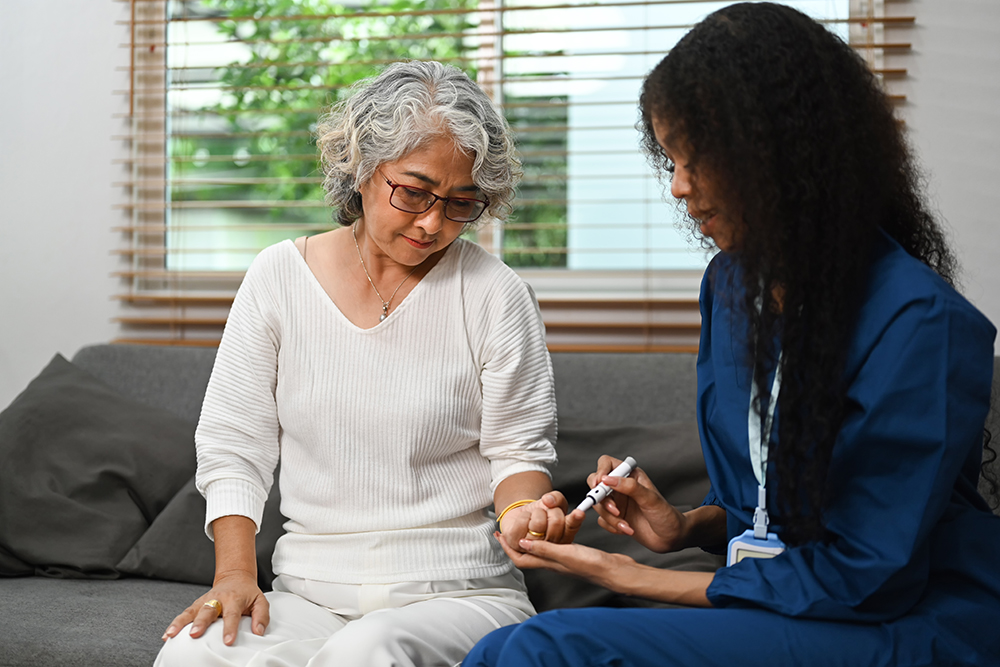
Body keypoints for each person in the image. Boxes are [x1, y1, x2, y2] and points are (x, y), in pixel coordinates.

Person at [463, 3, 1000, 666]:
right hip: (786, 600)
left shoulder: (922, 324)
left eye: (698, 159)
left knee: (543, 646)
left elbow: (869, 573)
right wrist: (684, 525)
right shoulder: (730, 288)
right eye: (670, 162)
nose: (681, 188)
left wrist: (636, 576)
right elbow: (777, 507)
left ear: (781, 155)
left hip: (902, 618)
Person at [155, 60, 580, 667]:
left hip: (459, 594)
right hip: (310, 596)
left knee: (367, 650)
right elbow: (234, 445)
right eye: (413, 191)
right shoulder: (278, 277)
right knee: (189, 656)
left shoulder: (495, 292)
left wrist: (522, 514)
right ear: (360, 166)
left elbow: (518, 453)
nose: (433, 222)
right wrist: (233, 576)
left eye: (461, 203)